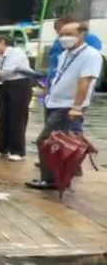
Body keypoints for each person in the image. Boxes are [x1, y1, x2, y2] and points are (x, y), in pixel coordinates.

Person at [28, 20, 103, 190]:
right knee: (59, 142)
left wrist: (76, 107)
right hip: (53, 102)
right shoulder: (64, 54)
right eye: (61, 35)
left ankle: (51, 179)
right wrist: (47, 92)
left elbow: (85, 82)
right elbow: (58, 76)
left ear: (81, 35)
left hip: (68, 105)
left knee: (45, 140)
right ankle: (63, 174)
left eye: (69, 34)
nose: (64, 38)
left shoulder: (91, 55)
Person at [0, 34, 34, 161]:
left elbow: (7, 71)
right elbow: (0, 74)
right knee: (2, 117)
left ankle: (18, 150)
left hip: (20, 85)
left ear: (2, 42)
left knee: (17, 118)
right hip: (6, 85)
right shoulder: (1, 57)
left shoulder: (16, 53)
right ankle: (3, 147)